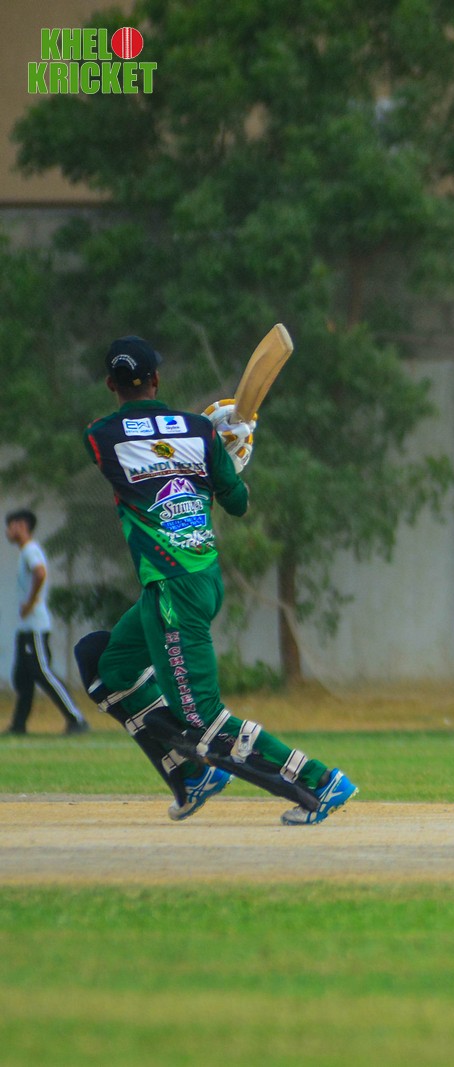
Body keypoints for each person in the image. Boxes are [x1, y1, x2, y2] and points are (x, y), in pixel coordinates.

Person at [77, 335, 356, 824]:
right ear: (156, 379)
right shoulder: (199, 432)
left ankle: (319, 781)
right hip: (192, 583)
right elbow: (238, 502)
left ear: (110, 385)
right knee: (107, 667)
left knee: (202, 719)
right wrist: (226, 458)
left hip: (175, 591)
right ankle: (191, 776)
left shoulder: (102, 435)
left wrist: (205, 451)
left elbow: (142, 456)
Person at [6, 509, 91, 735]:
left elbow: (40, 573)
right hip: (26, 628)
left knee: (42, 672)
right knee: (22, 677)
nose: (8, 531)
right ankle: (18, 726)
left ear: (22, 525)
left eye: (10, 526)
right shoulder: (25, 551)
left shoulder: (30, 550)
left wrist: (31, 602)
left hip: (35, 626)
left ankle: (77, 719)